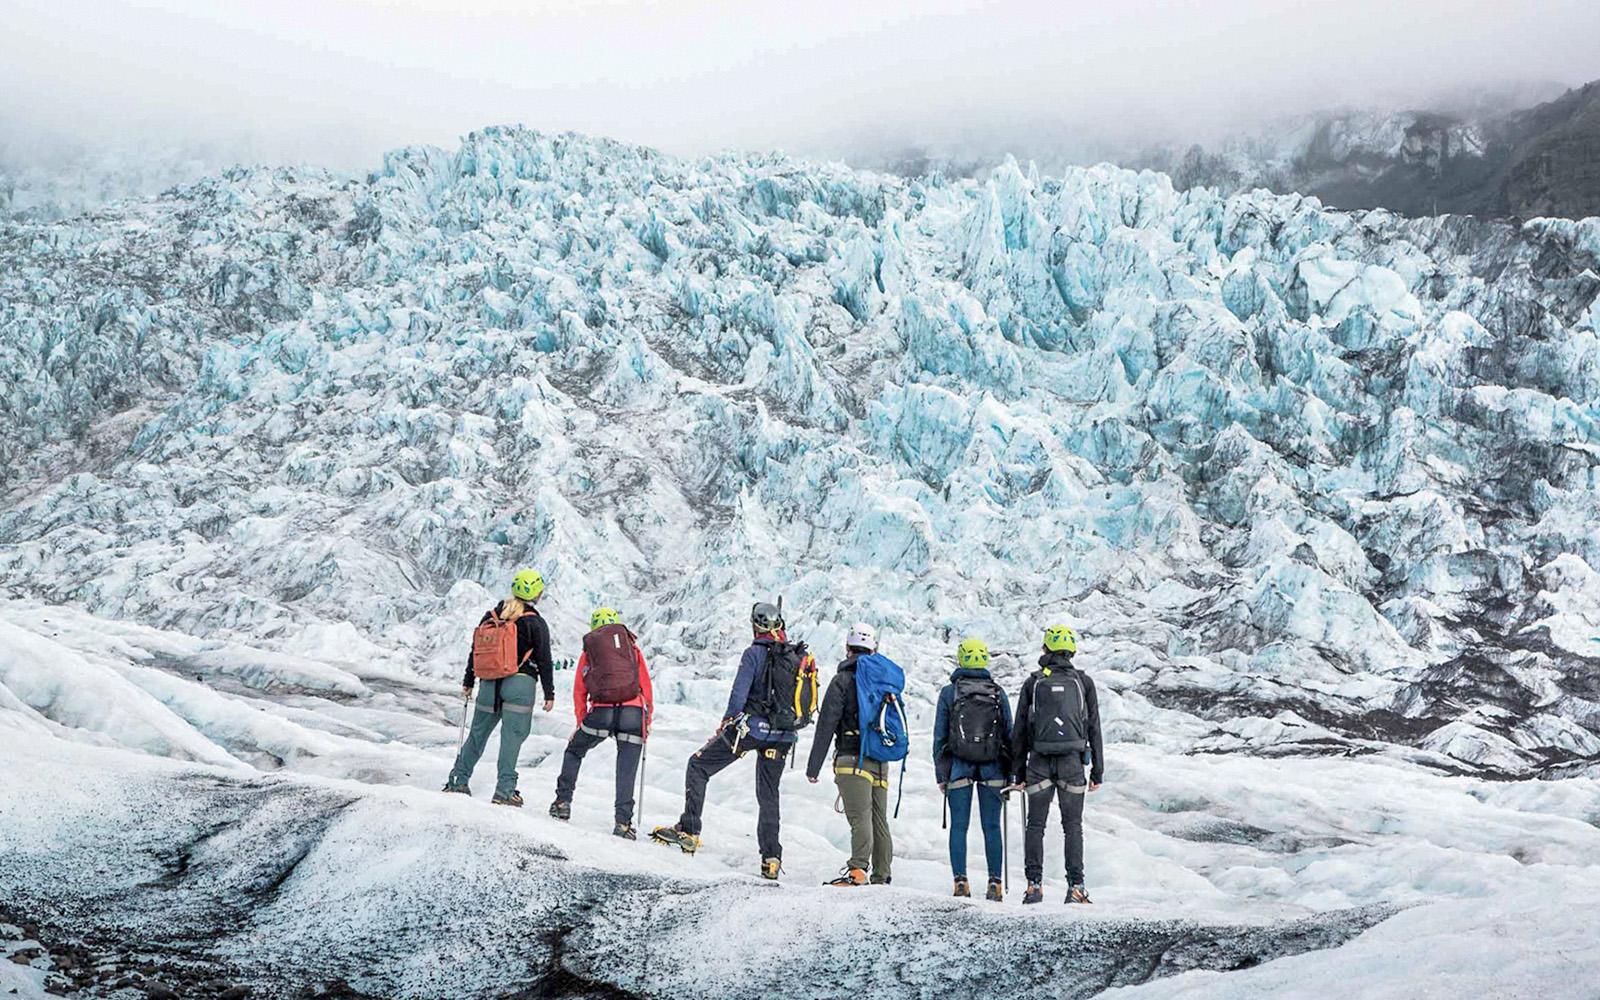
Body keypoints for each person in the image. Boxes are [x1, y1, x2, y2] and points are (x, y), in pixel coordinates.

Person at [651, 602, 816, 880]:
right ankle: (771, 857)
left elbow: (737, 698)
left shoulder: (753, 654)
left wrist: (725, 725)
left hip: (749, 731)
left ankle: (689, 830)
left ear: (755, 625)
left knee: (698, 766)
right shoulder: (794, 656)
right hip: (783, 735)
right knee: (768, 794)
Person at [442, 569, 555, 806]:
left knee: (477, 734)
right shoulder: (535, 621)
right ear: (536, 593)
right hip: (520, 684)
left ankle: (457, 780)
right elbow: (544, 659)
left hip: (489, 683)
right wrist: (549, 694)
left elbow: (476, 650)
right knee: (511, 738)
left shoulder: (492, 615)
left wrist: (468, 681)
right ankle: (504, 791)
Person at [1010, 625, 1103, 904]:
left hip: (1038, 761)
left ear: (1046, 649)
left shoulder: (1034, 682)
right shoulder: (1084, 683)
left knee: (1035, 825)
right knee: (1072, 826)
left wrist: (1018, 772)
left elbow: (1020, 731)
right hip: (1073, 763)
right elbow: (1094, 727)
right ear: (1072, 651)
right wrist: (1097, 770)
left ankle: (1034, 886)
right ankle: (1076, 887)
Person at [549, 608, 655, 839]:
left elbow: (580, 691)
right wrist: (646, 720)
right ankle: (623, 824)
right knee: (626, 769)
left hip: (602, 713)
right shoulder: (631, 650)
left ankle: (562, 803)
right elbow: (645, 687)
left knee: (575, 751)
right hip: (632, 713)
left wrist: (581, 721)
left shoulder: (590, 653)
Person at [806, 622, 892, 887]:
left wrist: (813, 766)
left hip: (851, 759)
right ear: (873, 648)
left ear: (847, 648)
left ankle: (857, 871)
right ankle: (882, 874)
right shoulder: (882, 681)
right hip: (880, 759)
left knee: (860, 818)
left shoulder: (842, 680)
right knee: (879, 819)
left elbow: (827, 723)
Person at [933, 637, 1013, 901]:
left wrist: (941, 775)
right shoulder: (997, 692)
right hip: (993, 769)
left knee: (959, 826)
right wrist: (1011, 773)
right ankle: (995, 883)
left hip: (959, 767)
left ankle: (960, 882)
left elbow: (940, 737)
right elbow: (1009, 735)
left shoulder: (949, 692)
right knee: (992, 827)